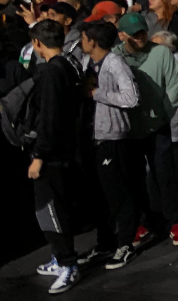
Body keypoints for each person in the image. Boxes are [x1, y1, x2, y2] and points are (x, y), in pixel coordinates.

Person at [115, 12, 178, 247]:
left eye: (143, 33)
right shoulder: (115, 57)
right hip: (129, 128)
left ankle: (174, 221)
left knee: (164, 174)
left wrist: (163, 114)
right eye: (134, 35)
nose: (140, 38)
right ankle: (143, 223)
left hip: (157, 125)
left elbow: (173, 88)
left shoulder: (161, 52)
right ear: (122, 35)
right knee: (135, 178)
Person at [76, 20, 141, 269]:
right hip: (92, 136)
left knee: (117, 193)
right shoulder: (86, 62)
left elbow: (131, 97)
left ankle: (125, 244)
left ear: (93, 41)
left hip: (112, 137)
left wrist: (96, 94)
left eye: (83, 37)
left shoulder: (115, 63)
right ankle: (104, 243)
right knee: (98, 195)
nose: (80, 42)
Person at [27, 19, 84, 294]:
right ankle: (60, 256)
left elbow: (49, 118)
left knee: (49, 209)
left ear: (37, 43)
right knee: (57, 207)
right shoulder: (71, 64)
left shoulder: (50, 72)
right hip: (69, 149)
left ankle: (68, 263)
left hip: (54, 154)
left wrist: (39, 155)